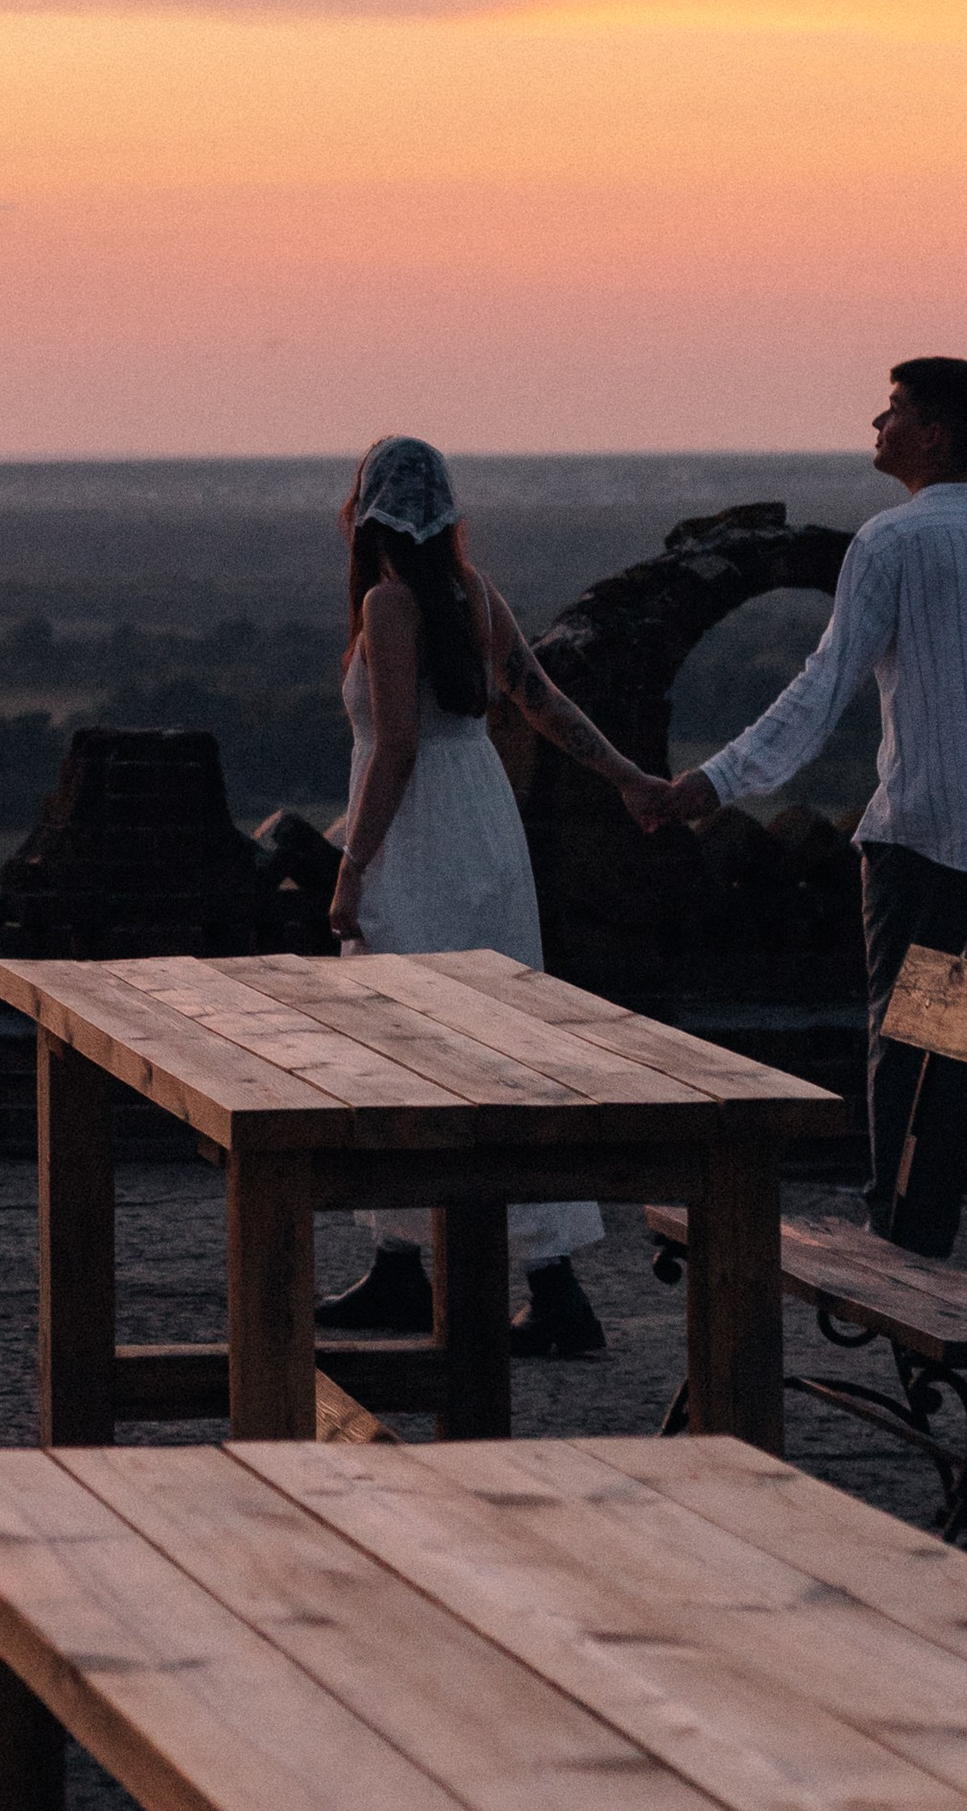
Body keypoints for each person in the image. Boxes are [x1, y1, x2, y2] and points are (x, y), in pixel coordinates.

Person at [654, 358, 967, 1310]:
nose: (877, 421)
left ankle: (908, 1248)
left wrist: (715, 781)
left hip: (925, 835)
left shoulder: (891, 542)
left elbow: (824, 686)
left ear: (936, 434)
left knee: (913, 1050)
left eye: (896, 409)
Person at [320, 433, 667, 1361]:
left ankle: (554, 1290)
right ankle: (404, 1263)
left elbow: (394, 745)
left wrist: (352, 868)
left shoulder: (390, 604)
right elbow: (541, 698)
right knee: (486, 1052)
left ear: (366, 510)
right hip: (481, 827)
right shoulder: (471, 595)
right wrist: (629, 776)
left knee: (419, 1050)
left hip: (421, 840)